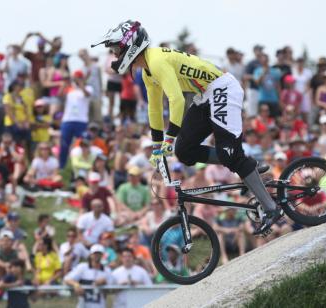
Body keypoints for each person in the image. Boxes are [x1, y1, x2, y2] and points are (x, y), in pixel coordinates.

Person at [91, 20, 280, 234]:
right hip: (205, 95)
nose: (115, 56)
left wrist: (168, 139)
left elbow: (177, 101)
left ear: (130, 46)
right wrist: (156, 147)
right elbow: (154, 110)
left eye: (116, 50)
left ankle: (271, 208)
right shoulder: (147, 71)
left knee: (229, 154)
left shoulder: (157, 61)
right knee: (185, 151)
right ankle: (245, 162)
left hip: (222, 88)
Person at [59, 70, 93, 168]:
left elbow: (87, 94)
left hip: (81, 121)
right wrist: (65, 83)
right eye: (76, 78)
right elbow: (60, 95)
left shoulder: (88, 88)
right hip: (67, 120)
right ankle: (62, 167)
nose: (76, 80)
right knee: (64, 145)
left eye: (78, 78)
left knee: (83, 144)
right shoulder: (70, 88)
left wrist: (81, 82)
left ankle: (83, 165)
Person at [64, 244, 113, 308]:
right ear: (91, 255)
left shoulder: (107, 270)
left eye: (99, 253)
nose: (97, 256)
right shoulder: (82, 267)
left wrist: (105, 282)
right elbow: (66, 279)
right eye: (95, 253)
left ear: (102, 255)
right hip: (83, 305)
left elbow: (112, 288)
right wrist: (75, 284)